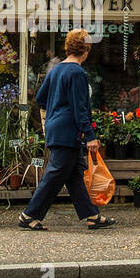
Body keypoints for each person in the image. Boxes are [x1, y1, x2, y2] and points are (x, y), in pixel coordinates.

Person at [17, 28, 117, 231]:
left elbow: (40, 98)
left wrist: (57, 106)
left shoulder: (56, 70)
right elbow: (80, 108)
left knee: (73, 175)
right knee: (55, 174)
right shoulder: (77, 72)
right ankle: (29, 215)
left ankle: (92, 216)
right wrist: (90, 136)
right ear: (86, 50)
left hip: (55, 128)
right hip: (68, 131)